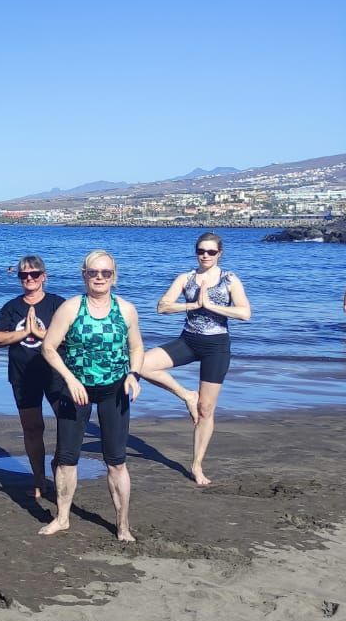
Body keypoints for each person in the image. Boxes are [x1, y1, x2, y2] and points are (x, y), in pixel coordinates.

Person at [39, 250, 144, 544]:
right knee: (66, 459)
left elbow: (136, 347)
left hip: (115, 389)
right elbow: (48, 347)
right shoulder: (71, 308)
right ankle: (62, 518)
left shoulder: (126, 309)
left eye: (105, 273)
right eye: (93, 272)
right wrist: (69, 380)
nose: (99, 278)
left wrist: (134, 375)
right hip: (77, 389)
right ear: (84, 275)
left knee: (117, 461)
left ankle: (123, 526)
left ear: (114, 276)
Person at [138, 231, 252, 487]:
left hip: (216, 346)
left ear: (219, 253)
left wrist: (211, 305)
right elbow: (162, 306)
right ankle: (187, 395)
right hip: (188, 341)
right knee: (142, 364)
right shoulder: (186, 278)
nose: (205, 256)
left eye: (211, 252)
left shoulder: (229, 279)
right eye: (201, 251)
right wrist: (192, 305)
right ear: (196, 252)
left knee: (206, 409)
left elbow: (245, 313)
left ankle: (196, 465)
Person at [0, 255, 67, 497]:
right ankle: (39, 479)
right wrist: (24, 333)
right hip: (23, 376)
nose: (29, 278)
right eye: (24, 275)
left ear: (44, 276)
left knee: (67, 423)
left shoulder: (57, 304)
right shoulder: (12, 307)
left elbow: (72, 337)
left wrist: (42, 334)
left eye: (34, 274)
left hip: (56, 374)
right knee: (32, 428)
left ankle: (59, 464)